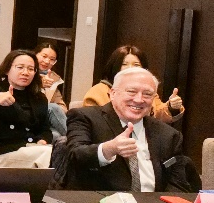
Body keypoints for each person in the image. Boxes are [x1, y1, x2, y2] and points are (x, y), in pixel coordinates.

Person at [64, 67, 199, 192]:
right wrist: (108, 149)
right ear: (113, 94)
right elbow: (74, 156)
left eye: (147, 94)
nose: (139, 100)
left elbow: (178, 183)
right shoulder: (85, 117)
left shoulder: (168, 135)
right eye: (131, 92)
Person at [0, 50, 53, 168]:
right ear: (7, 69)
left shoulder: (39, 97)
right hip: (2, 152)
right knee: (49, 154)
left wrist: (42, 140)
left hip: (32, 150)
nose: (25, 72)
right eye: (20, 67)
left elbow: (45, 129)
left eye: (31, 69)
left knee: (58, 152)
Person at [81, 45, 185, 124]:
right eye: (124, 64)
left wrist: (172, 107)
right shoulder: (97, 92)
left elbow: (158, 114)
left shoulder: (147, 91)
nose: (130, 68)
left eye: (136, 65)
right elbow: (93, 124)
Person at [34, 42, 69, 136]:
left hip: (45, 121)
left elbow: (60, 104)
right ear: (35, 55)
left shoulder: (53, 79)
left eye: (52, 59)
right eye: (44, 56)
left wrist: (61, 110)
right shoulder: (26, 73)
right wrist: (38, 84)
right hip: (30, 116)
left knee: (57, 135)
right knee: (52, 107)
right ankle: (76, 138)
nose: (47, 61)